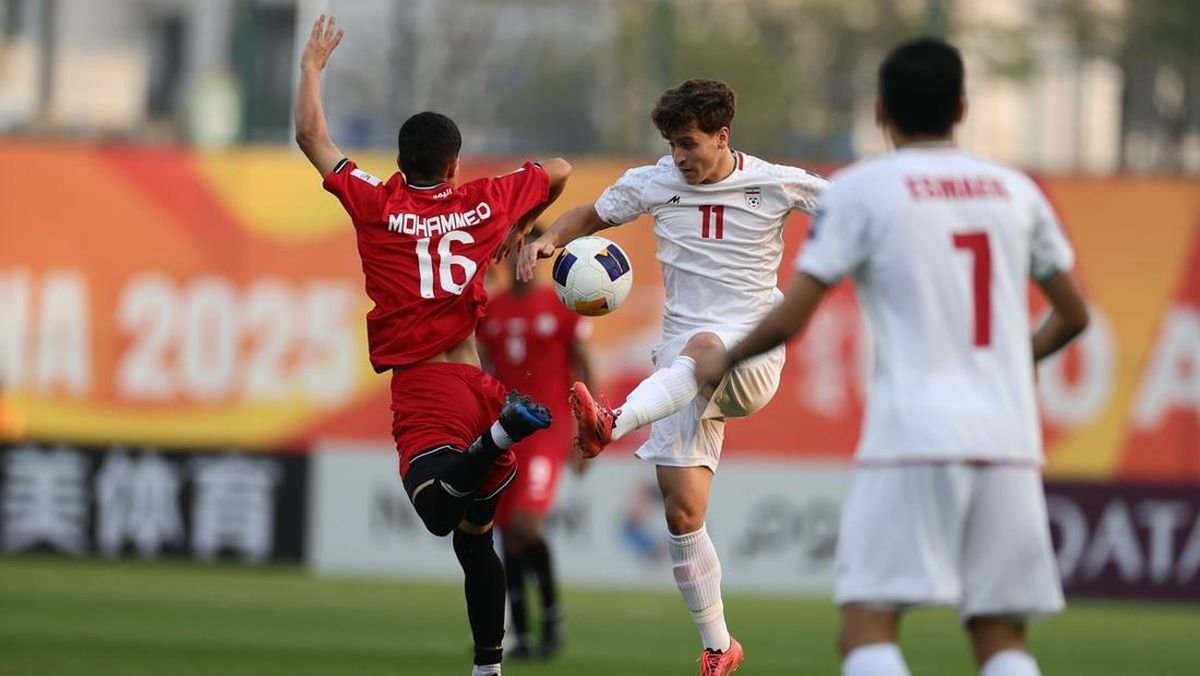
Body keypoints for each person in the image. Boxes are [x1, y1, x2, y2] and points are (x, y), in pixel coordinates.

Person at [696, 38, 1090, 676]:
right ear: (962, 106)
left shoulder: (863, 190)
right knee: (1001, 637)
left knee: (867, 630)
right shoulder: (1015, 191)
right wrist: (1012, 365)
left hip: (912, 434)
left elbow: (794, 311)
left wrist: (727, 359)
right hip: (1009, 438)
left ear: (881, 109)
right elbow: (1074, 314)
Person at [519, 78, 829, 675]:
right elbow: (593, 212)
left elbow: (851, 207)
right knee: (682, 511)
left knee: (706, 346)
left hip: (750, 354)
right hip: (680, 365)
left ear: (722, 134)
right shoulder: (655, 181)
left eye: (689, 143)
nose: (679, 156)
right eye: (671, 144)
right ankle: (719, 647)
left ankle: (614, 420)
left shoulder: (773, 182)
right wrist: (550, 240)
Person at [294, 16, 571, 676]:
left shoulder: (375, 202)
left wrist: (312, 65)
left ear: (399, 163)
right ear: (454, 162)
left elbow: (312, 136)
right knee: (477, 541)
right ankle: (488, 667)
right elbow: (558, 169)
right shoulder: (485, 201)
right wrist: (522, 229)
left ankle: (499, 440)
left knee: (437, 513)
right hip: (481, 384)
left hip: (429, 391)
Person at [477, 235, 594, 659]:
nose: (523, 256)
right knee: (507, 535)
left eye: (531, 247)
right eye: (516, 248)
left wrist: (588, 433)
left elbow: (585, 366)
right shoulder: (491, 312)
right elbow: (479, 368)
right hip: (506, 432)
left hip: (549, 431)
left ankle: (551, 614)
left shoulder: (560, 307)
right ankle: (523, 634)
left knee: (527, 527)